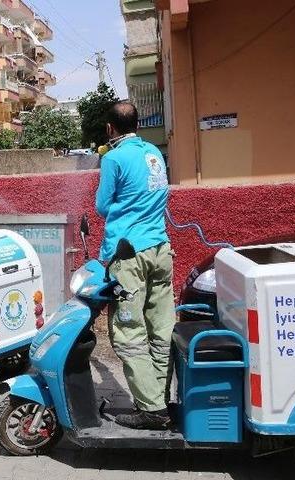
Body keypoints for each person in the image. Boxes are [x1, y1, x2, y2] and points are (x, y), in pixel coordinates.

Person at [95, 101, 174, 430]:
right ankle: (160, 396)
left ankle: (151, 410)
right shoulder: (154, 152)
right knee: (162, 327)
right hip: (160, 249)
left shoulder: (113, 158)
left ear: (110, 130)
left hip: (130, 255)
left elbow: (101, 206)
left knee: (129, 333)